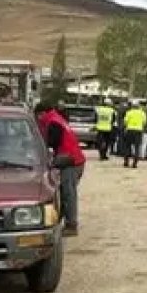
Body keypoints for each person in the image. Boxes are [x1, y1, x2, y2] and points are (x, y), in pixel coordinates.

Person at [34, 101, 87, 236]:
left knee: (68, 194)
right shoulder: (57, 119)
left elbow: (51, 142)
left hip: (70, 161)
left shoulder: (53, 122)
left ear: (42, 113)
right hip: (73, 160)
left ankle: (71, 225)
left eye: (38, 116)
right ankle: (60, 221)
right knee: (64, 193)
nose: (38, 119)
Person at [121, 100, 147, 168]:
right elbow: (144, 122)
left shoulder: (129, 112)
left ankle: (126, 162)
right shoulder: (142, 113)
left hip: (129, 130)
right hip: (138, 131)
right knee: (137, 147)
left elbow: (125, 121)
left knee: (127, 146)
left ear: (132, 106)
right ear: (138, 106)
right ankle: (134, 163)